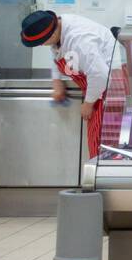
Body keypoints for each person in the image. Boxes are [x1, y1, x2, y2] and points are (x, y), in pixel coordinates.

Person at [20, 11, 117, 158]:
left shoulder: (79, 40)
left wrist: (88, 104)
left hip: (108, 91)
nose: (42, 45)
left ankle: (104, 180)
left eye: (42, 42)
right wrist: (57, 81)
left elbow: (101, 75)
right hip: (98, 89)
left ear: (51, 35)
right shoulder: (58, 26)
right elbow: (55, 51)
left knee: (104, 149)